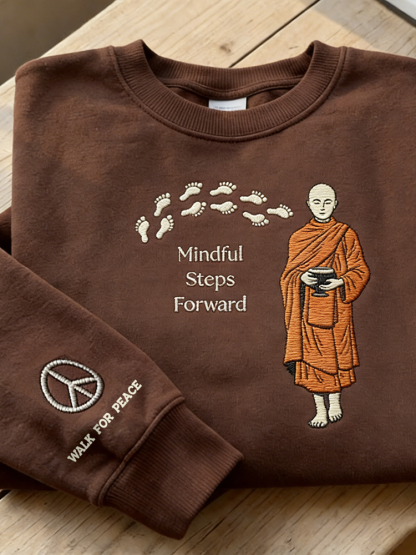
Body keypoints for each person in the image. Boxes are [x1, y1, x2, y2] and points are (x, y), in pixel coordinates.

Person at [280, 183, 370, 428]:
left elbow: (360, 270)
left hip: (337, 308)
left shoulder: (345, 234)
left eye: (327, 202)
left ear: (335, 204)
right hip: (307, 310)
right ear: (309, 204)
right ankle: (320, 409)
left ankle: (336, 402)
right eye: (317, 202)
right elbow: (288, 275)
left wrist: (340, 281)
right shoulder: (299, 237)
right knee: (313, 361)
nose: (322, 207)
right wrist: (301, 277)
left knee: (334, 357)